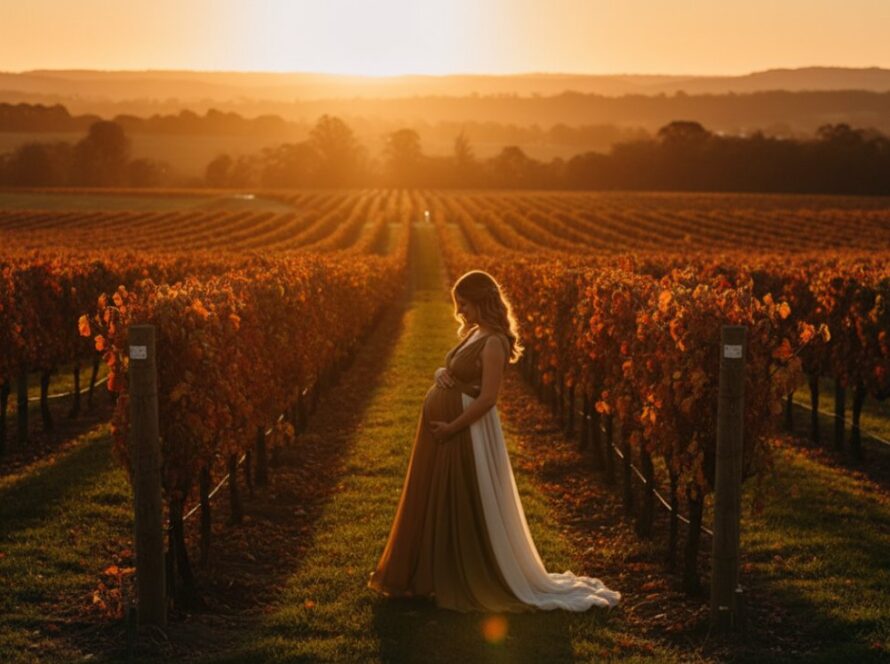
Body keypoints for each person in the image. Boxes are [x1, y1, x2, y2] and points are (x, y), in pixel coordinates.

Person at [367, 269, 620, 612]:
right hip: (447, 430)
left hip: (465, 432)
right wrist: (441, 373)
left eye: (464, 304)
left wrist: (452, 427)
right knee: (439, 496)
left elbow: (488, 398)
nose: (460, 311)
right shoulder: (476, 333)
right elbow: (454, 370)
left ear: (481, 302)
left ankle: (462, 574)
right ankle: (434, 574)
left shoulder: (495, 342)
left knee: (462, 498)